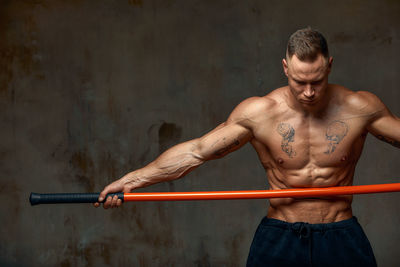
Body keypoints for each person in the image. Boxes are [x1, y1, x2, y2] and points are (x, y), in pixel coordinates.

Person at [94, 27, 400, 266]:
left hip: (340, 234)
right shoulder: (260, 114)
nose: (308, 92)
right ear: (285, 68)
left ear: (329, 66)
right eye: (299, 82)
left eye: (317, 82)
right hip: (281, 236)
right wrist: (131, 180)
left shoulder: (359, 108)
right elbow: (196, 152)